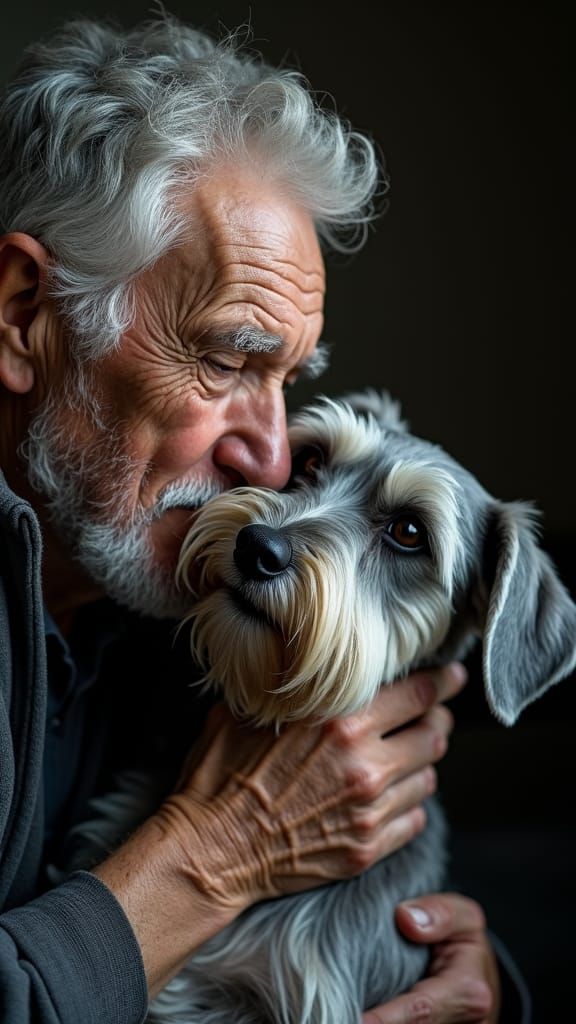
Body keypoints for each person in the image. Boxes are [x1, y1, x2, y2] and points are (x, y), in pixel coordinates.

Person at [0, 14, 514, 1023]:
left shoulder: (166, 595)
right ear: (24, 313)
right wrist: (219, 847)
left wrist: (463, 978)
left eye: (284, 380)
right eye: (226, 361)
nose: (272, 460)